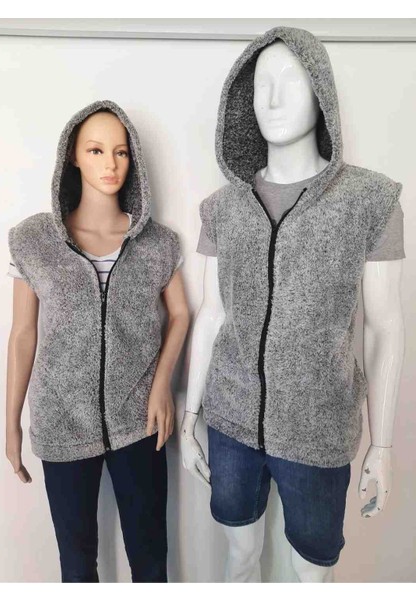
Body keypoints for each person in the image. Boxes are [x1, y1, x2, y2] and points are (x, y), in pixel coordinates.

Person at [181, 26, 405, 582]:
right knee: (239, 556)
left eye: (292, 81)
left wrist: (382, 444)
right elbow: (212, 314)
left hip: (320, 429)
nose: (274, 99)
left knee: (312, 572)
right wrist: (190, 416)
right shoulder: (221, 209)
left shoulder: (370, 201)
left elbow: (384, 327)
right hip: (230, 421)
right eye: (261, 84)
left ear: (321, 92)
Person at [6, 99, 190, 582]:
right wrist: (10, 423)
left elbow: (181, 314)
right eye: (95, 150)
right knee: (76, 563)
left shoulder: (157, 243)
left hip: (140, 421)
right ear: (73, 156)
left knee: (150, 559)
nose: (110, 164)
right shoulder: (34, 241)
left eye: (121, 152)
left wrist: (160, 386)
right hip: (61, 420)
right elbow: (23, 333)